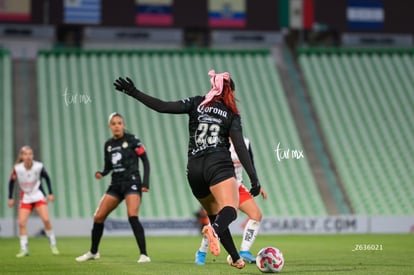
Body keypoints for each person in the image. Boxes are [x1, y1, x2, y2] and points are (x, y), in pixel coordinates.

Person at [114, 70, 262, 269]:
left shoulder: (196, 103)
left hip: (194, 170)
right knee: (230, 209)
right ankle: (213, 231)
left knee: (215, 215)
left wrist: (134, 92)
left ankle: (235, 257)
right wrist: (254, 178)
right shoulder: (231, 114)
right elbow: (241, 148)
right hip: (217, 164)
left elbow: (163, 107)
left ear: (213, 88)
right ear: (230, 92)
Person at [76, 112, 151, 263]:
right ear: (110, 126)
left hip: (132, 182)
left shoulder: (132, 140)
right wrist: (102, 173)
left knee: (132, 216)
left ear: (123, 125)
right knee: (98, 217)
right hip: (116, 184)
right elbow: (108, 167)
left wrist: (145, 182)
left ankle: (144, 255)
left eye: (119, 123)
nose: (117, 126)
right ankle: (93, 252)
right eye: (114, 124)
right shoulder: (108, 145)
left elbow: (145, 161)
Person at [195, 137, 267, 265]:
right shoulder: (215, 140)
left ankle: (244, 251)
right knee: (219, 218)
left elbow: (250, 164)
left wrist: (257, 183)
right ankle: (202, 251)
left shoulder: (245, 142)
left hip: (238, 185)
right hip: (220, 185)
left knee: (256, 215)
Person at [8, 146, 59, 258]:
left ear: (32, 156)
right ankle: (24, 249)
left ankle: (53, 244)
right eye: (25, 154)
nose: (28, 156)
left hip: (38, 196)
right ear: (21, 156)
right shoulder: (17, 168)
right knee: (21, 223)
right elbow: (11, 182)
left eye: (30, 154)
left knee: (46, 220)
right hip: (25, 197)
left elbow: (47, 178)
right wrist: (10, 197)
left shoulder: (38, 166)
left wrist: (50, 193)